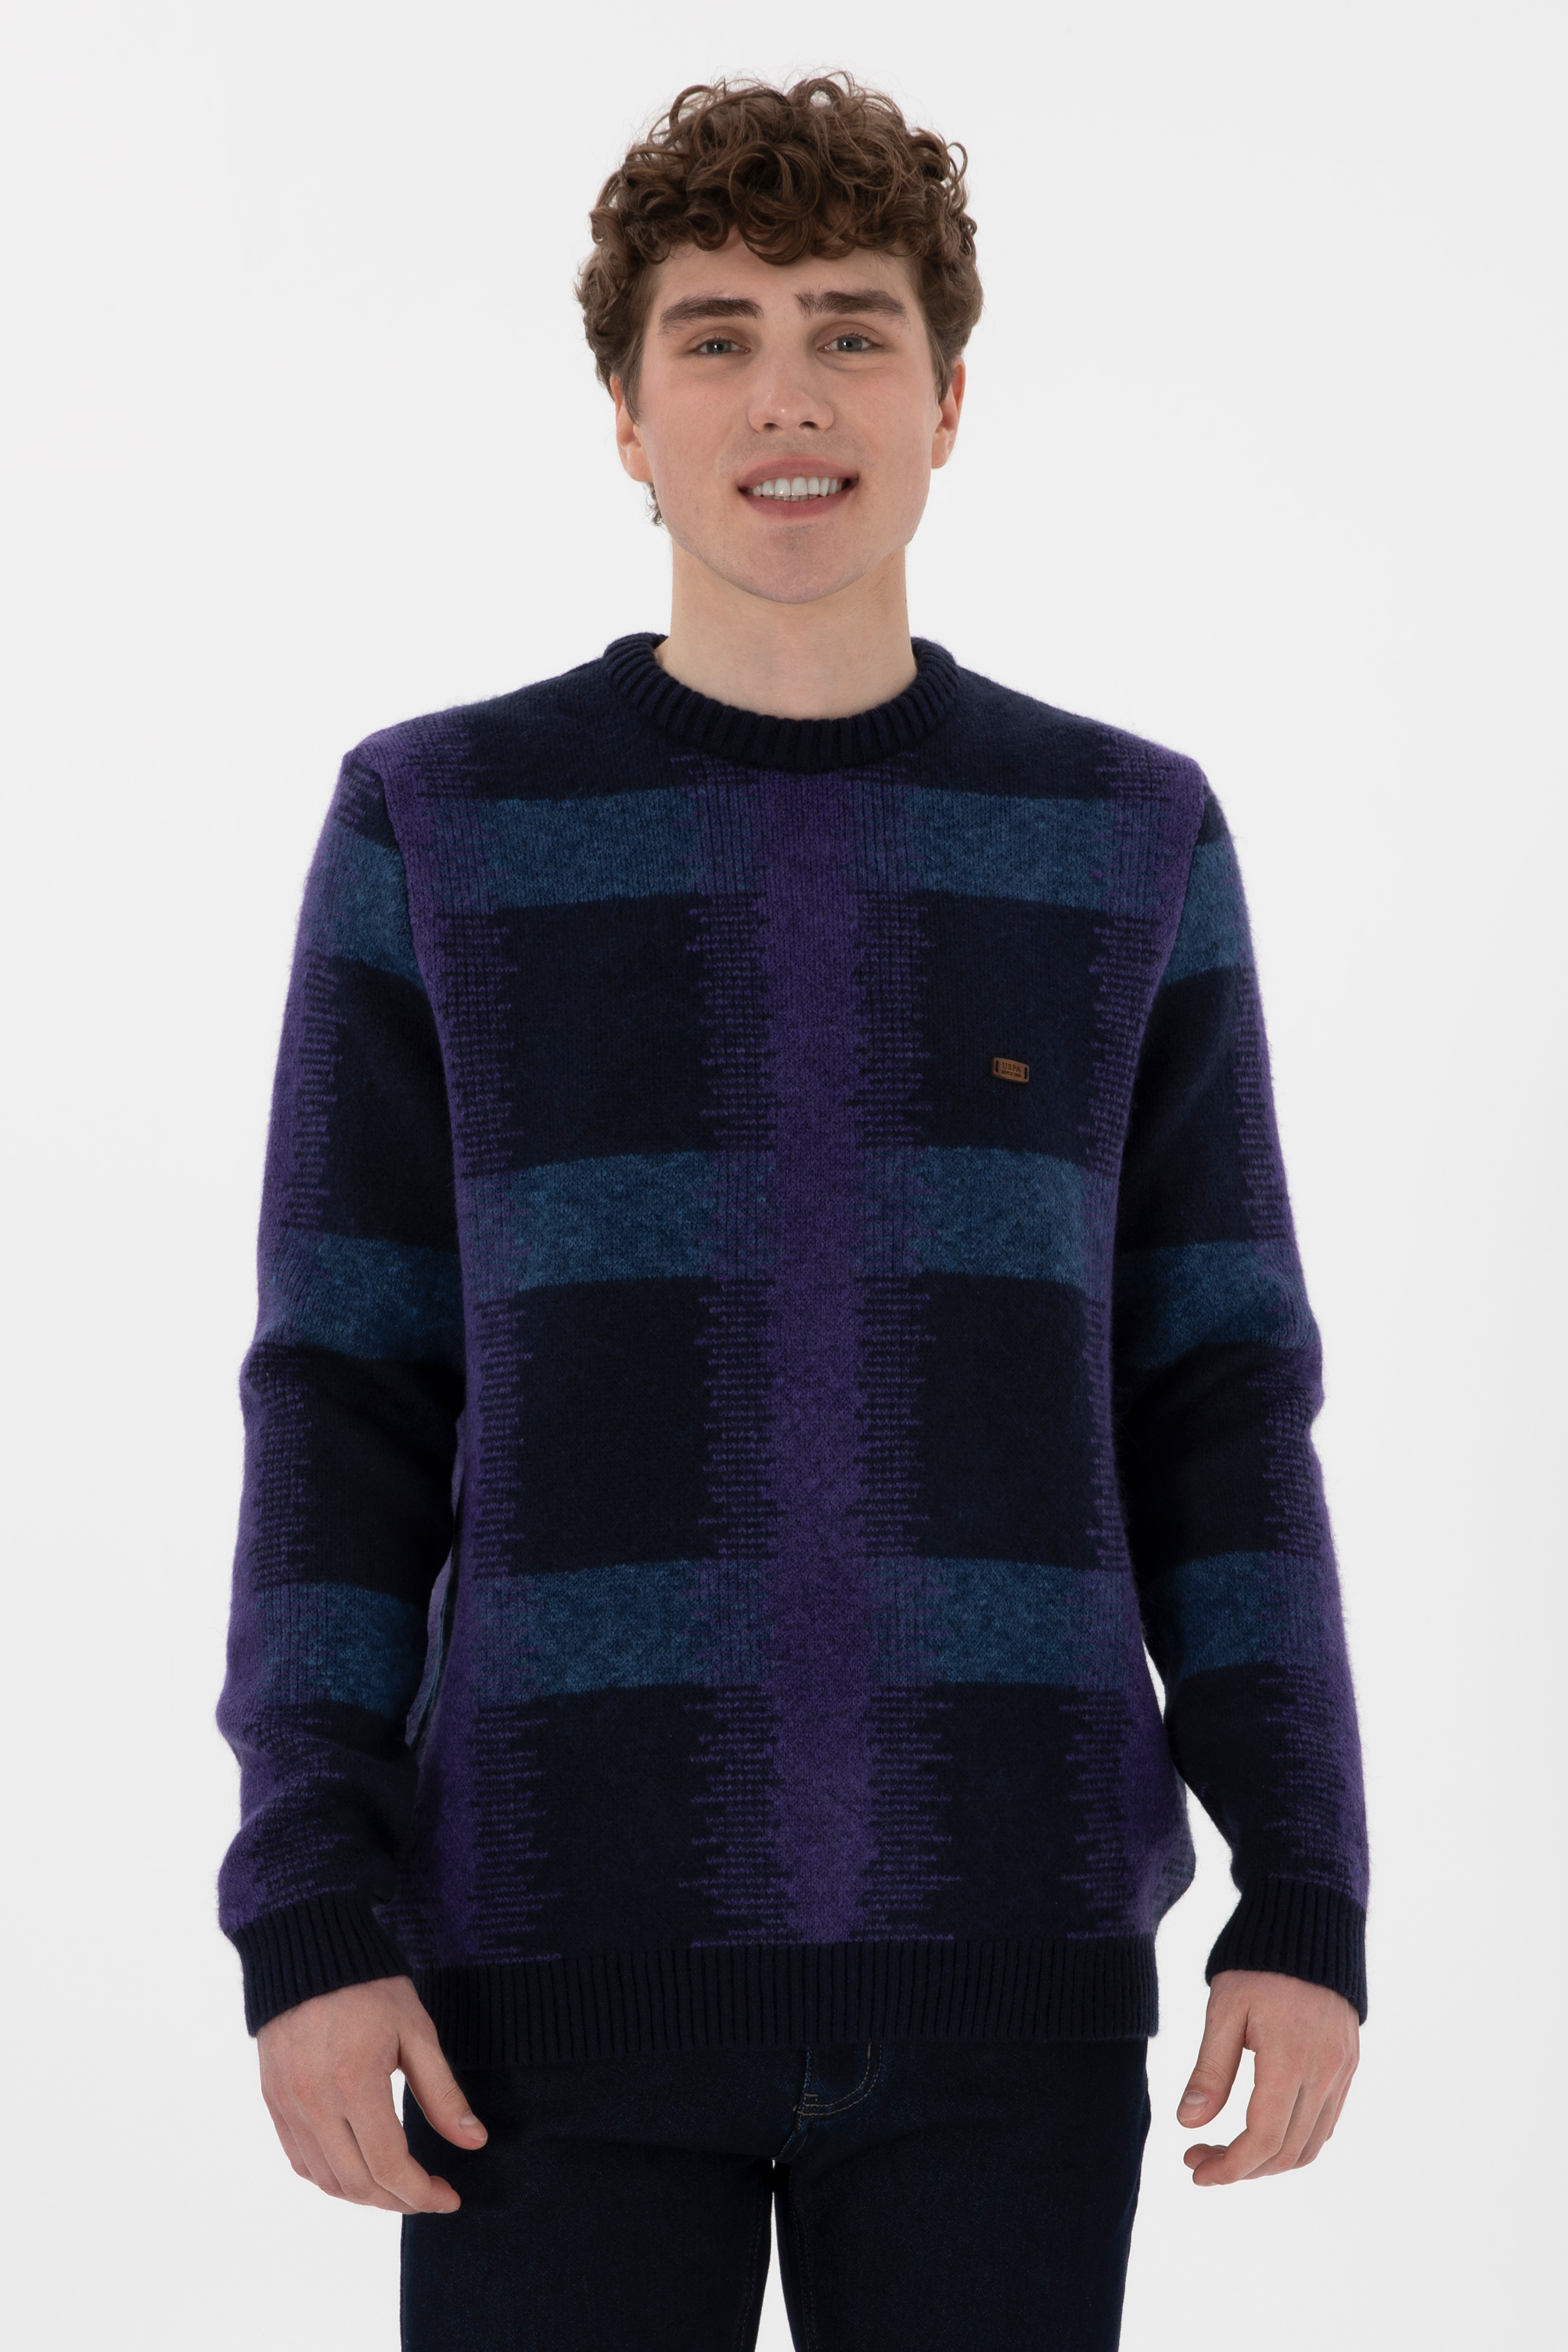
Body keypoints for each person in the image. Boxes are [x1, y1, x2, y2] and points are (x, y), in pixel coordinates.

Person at [217, 73, 1368, 2352]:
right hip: (536, 1969)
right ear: (626, 421)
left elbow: (1219, 1396)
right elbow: (345, 1395)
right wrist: (307, 1910)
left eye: (851, 332)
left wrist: (1306, 1886)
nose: (787, 397)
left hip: (1013, 1968)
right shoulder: (439, 823)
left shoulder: (1127, 835)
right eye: (715, 336)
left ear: (948, 403)